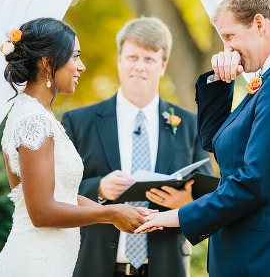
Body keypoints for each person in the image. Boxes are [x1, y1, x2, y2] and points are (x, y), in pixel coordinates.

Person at [135, 0, 270, 276]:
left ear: (259, 24)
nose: (227, 49)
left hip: (261, 258)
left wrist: (178, 216)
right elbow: (214, 140)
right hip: (250, 253)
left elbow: (254, 183)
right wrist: (221, 82)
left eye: (230, 36)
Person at [0, 17, 152, 276]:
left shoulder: (38, 115)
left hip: (50, 261)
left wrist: (121, 214)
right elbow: (42, 212)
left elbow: (62, 196)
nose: (82, 66)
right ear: (48, 62)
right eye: (75, 56)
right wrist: (110, 214)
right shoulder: (33, 121)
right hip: (35, 264)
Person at [62, 17, 213, 277]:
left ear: (163, 66)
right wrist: (98, 188)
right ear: (120, 60)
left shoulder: (190, 124)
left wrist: (187, 202)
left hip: (167, 267)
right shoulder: (78, 122)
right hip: (94, 265)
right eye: (132, 57)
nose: (139, 67)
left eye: (149, 59)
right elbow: (56, 191)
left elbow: (210, 192)